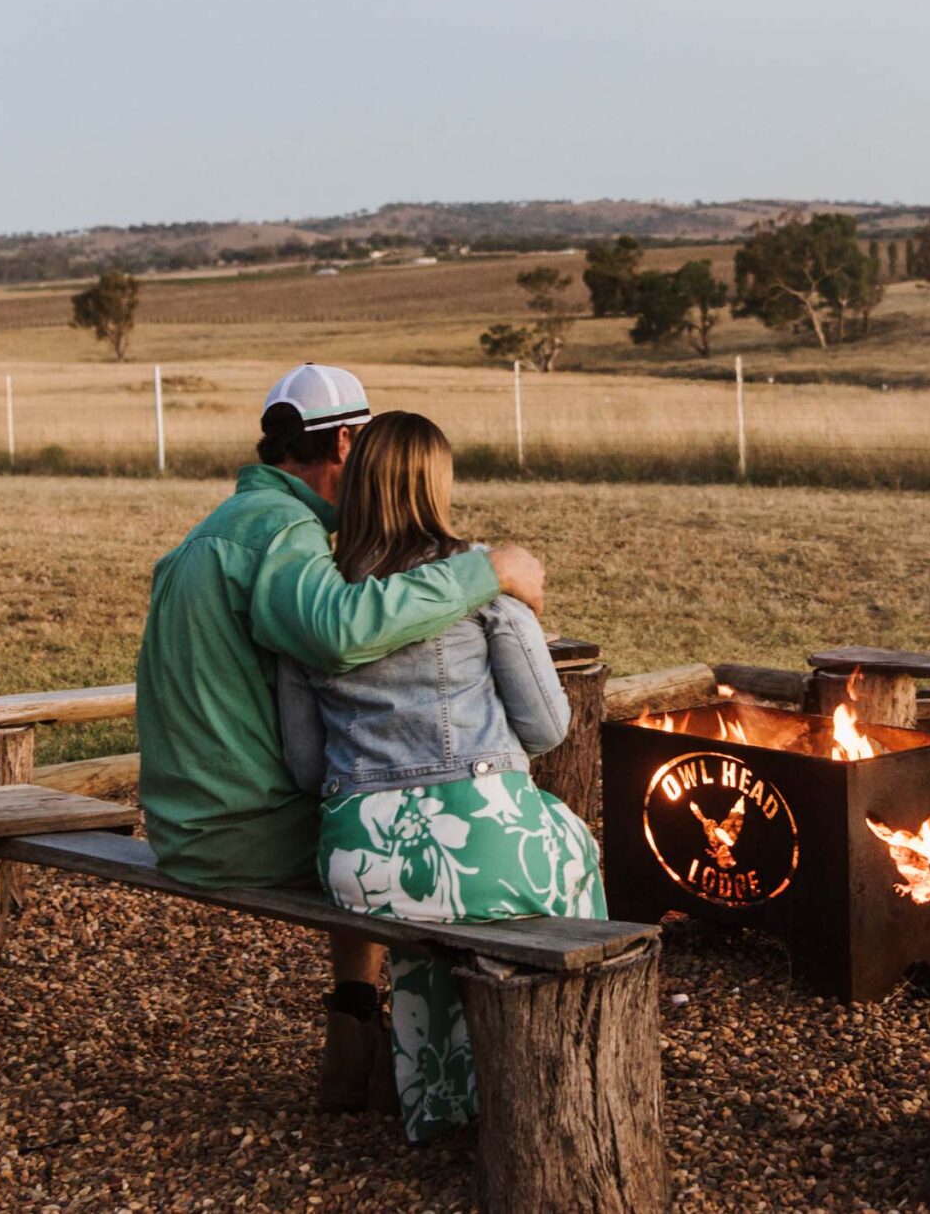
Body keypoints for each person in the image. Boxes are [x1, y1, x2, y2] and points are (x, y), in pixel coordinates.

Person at [133, 364, 545, 1110]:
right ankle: (477, 1076)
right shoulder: (282, 532)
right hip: (247, 838)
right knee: (415, 824)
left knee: (363, 798)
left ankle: (354, 1028)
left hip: (186, 827)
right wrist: (483, 570)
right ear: (350, 443)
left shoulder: (220, 527)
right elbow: (340, 631)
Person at [280, 411, 604, 1142]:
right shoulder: (480, 581)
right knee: (571, 848)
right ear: (437, 486)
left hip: (360, 862)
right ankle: (560, 1078)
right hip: (481, 845)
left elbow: (304, 767)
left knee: (427, 906)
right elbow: (550, 728)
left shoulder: (318, 604)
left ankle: (442, 1101)